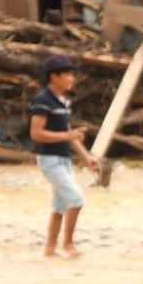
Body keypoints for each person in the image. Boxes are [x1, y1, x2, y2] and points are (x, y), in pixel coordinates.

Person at [29, 55, 97, 258]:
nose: (71, 78)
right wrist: (67, 136)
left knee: (59, 207)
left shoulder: (64, 102)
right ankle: (68, 244)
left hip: (64, 159)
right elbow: (36, 133)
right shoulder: (43, 101)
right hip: (50, 160)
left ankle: (50, 249)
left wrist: (86, 157)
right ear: (54, 76)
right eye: (67, 74)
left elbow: (69, 134)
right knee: (76, 200)